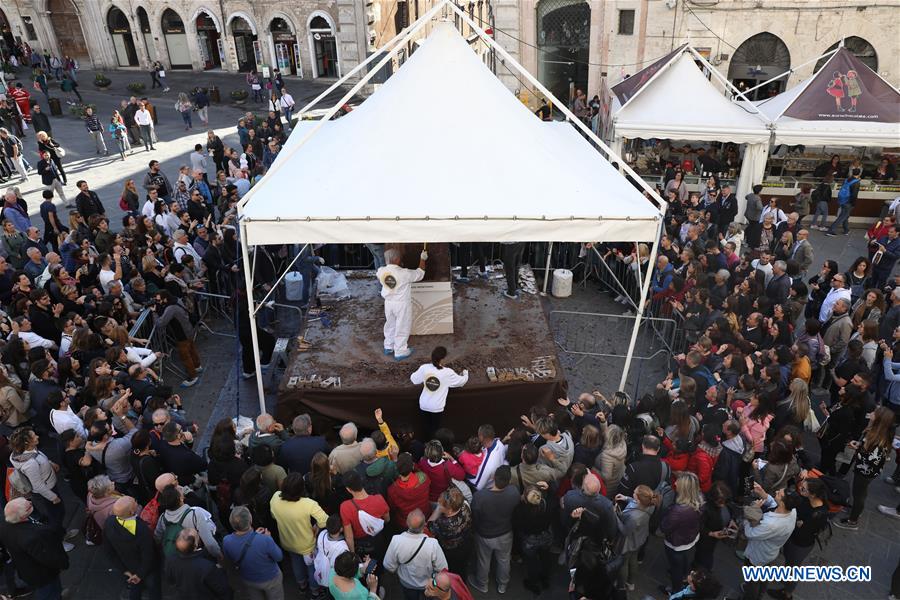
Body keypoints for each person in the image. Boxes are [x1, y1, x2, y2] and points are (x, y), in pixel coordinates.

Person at [833, 406, 895, 531]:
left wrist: (859, 450)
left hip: (865, 472)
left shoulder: (878, 440)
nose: (871, 413)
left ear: (879, 420)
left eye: (874, 413)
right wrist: (860, 444)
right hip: (863, 469)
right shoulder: (875, 432)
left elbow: (872, 460)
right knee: (859, 493)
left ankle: (853, 520)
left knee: (859, 494)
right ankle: (856, 509)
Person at [269, 473, 328, 597]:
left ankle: (302, 586)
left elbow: (274, 516)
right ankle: (315, 591)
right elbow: (324, 521)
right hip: (307, 546)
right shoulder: (308, 504)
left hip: (288, 542)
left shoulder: (275, 498)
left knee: (295, 563)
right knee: (312, 568)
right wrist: (316, 527)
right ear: (302, 488)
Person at [739, 483, 800, 600]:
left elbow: (750, 533)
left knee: (752, 581)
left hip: (758, 555)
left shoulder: (771, 524)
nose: (776, 492)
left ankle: (751, 596)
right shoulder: (792, 511)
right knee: (763, 576)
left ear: (783, 502)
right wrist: (763, 493)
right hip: (770, 553)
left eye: (779, 493)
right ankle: (761, 594)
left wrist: (751, 512)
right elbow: (774, 504)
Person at [0, 497, 70, 600]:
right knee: (49, 593)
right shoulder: (31, 537)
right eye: (28, 506)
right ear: (23, 516)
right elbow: (48, 558)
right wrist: (63, 563)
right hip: (42, 575)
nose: (29, 501)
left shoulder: (4, 524)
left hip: (26, 569)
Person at [469, 464, 518, 594]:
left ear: (494, 477)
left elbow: (475, 516)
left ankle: (482, 584)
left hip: (485, 534)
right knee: (504, 560)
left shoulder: (480, 496)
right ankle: (503, 585)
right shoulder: (514, 492)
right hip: (505, 533)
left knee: (484, 560)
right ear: (509, 480)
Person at [103, 496, 162, 600]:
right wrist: (140, 575)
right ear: (131, 511)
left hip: (129, 567)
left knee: (135, 589)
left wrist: (125, 571)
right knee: (154, 589)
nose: (135, 500)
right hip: (148, 569)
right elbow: (148, 554)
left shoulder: (109, 522)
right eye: (134, 501)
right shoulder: (141, 529)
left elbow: (109, 551)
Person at [384, 509, 448, 599]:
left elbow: (388, 566)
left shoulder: (396, 540)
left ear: (407, 523)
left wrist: (398, 569)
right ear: (424, 525)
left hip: (406, 583)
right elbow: (443, 568)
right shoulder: (433, 544)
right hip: (427, 585)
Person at [222, 506, 284, 600]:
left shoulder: (226, 541)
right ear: (250, 520)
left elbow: (230, 561)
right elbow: (279, 557)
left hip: (249, 580)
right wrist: (268, 538)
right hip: (270, 579)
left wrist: (255, 536)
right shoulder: (265, 539)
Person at [377, 247, 427, 360]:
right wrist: (422, 259)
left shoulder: (381, 271)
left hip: (388, 303)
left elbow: (383, 273)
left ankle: (388, 346)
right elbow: (420, 274)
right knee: (402, 326)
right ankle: (400, 351)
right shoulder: (404, 273)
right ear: (397, 259)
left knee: (390, 324)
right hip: (401, 304)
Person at [409, 346, 468, 435]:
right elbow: (461, 382)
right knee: (435, 430)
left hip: (424, 404)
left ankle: (426, 444)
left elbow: (414, 379)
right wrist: (465, 373)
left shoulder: (425, 368)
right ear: (443, 359)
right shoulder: (448, 373)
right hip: (436, 407)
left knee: (426, 427)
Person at [660, 472, 702, 595]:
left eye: (678, 482)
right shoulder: (700, 498)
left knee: (675, 569)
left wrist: (663, 511)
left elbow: (664, 527)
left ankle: (675, 590)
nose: (675, 483)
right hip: (690, 538)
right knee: (683, 559)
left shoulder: (678, 511)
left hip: (676, 543)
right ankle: (685, 575)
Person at [165, 528, 232, 600]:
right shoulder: (207, 566)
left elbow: (171, 580)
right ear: (195, 544)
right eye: (197, 536)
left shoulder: (170, 560)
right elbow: (222, 589)